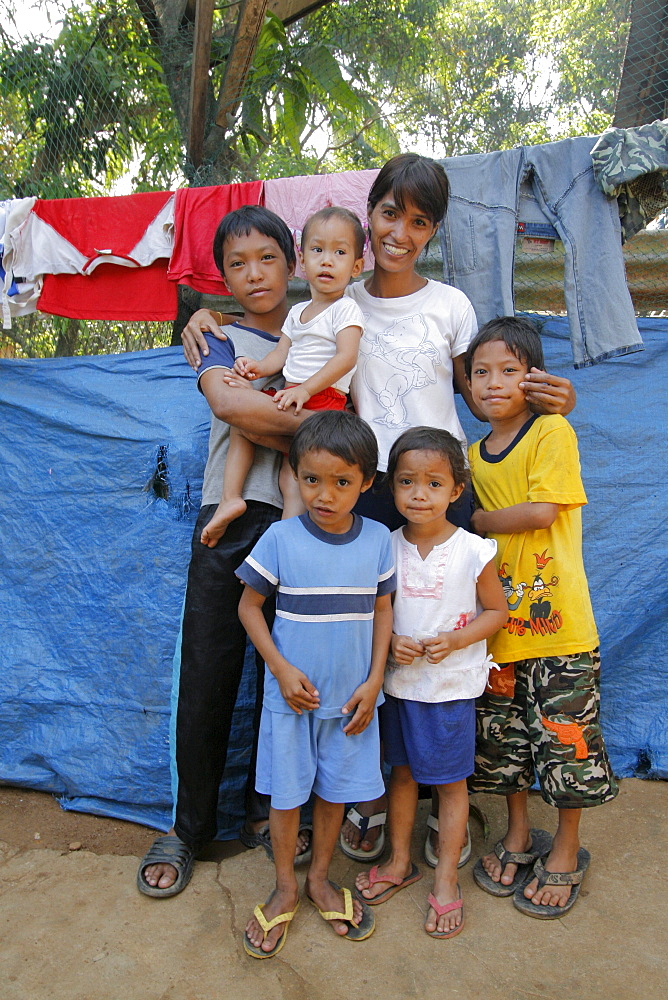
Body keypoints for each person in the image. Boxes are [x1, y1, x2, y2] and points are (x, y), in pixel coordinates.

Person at [180, 153, 577, 862]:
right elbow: (282, 327)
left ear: (432, 230)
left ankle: (436, 799)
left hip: (439, 480)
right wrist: (206, 313)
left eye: (419, 220)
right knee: (372, 644)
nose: (401, 231)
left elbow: (484, 389)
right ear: (369, 220)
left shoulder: (450, 305)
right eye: (390, 214)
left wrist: (553, 401)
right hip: (368, 485)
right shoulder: (341, 298)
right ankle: (365, 800)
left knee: (443, 637)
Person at [136, 206, 312, 898]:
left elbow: (353, 415)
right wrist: (319, 439)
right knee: (208, 672)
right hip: (227, 518)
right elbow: (234, 408)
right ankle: (189, 827)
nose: (254, 273)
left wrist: (303, 432)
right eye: (237, 264)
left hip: (308, 522)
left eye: (267, 258)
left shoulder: (321, 330)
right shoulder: (214, 336)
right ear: (224, 277)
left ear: (291, 263)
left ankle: (277, 813)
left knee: (291, 675)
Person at [465, 316, 618, 918]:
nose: (493, 383)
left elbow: (540, 510)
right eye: (480, 372)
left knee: (564, 740)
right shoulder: (471, 456)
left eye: (508, 371)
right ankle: (520, 835)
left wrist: (473, 522)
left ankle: (568, 849)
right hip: (497, 630)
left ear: (534, 379)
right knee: (506, 744)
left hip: (560, 631)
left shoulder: (551, 432)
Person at [236, 410, 395, 957]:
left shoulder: (377, 540)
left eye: (342, 482)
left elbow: (383, 612)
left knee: (333, 794)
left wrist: (375, 680)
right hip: (293, 701)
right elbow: (249, 608)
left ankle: (319, 878)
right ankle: (284, 886)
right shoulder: (280, 538)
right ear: (295, 475)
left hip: (352, 702)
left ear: (367, 482)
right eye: (312, 480)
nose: (325, 495)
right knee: (287, 797)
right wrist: (280, 669)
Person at [354, 427, 507, 938]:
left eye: (434, 483)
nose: (420, 494)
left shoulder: (472, 550)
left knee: (449, 783)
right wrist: (392, 639)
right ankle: (400, 862)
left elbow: (496, 613)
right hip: (399, 686)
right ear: (390, 488)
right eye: (407, 482)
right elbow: (378, 612)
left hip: (449, 690)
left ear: (456, 490)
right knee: (401, 774)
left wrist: (459, 640)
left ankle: (446, 878)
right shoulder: (384, 546)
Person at [201, 206, 366, 547]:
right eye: (318, 250)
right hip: (293, 394)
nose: (327, 261)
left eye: (339, 252)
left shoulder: (346, 308)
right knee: (270, 456)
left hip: (323, 400)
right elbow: (280, 355)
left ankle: (287, 545)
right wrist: (255, 368)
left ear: (357, 266)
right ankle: (231, 497)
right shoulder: (296, 313)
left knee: (293, 470)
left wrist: (305, 389)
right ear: (303, 262)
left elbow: (346, 357)